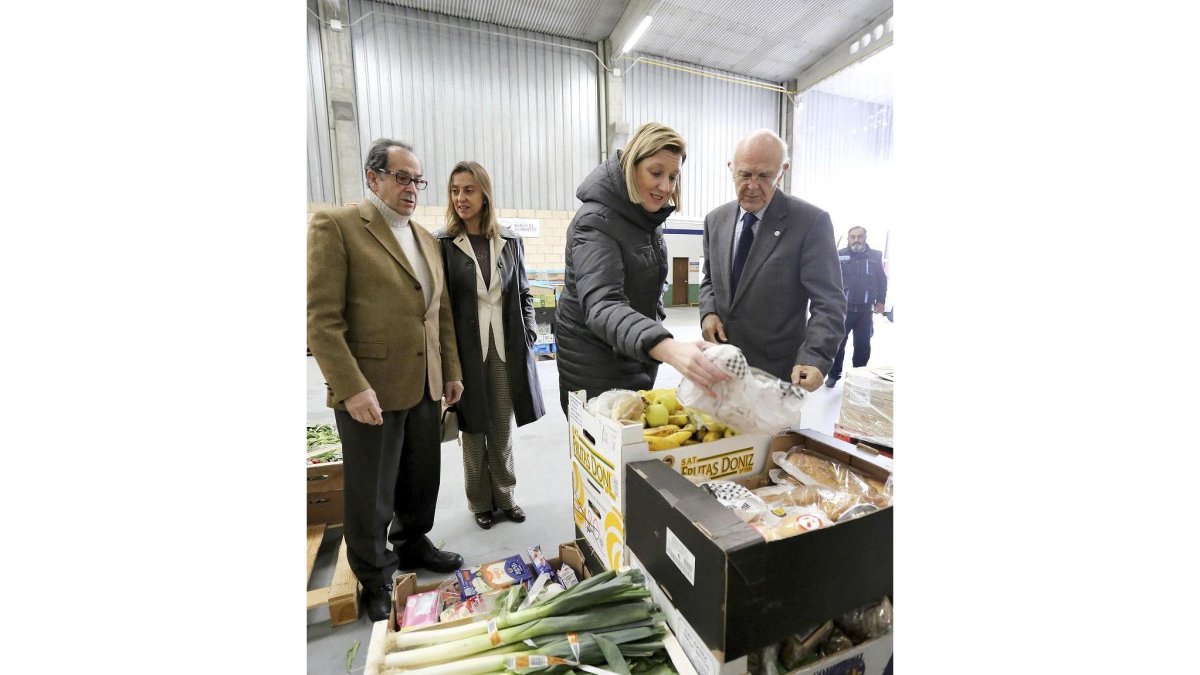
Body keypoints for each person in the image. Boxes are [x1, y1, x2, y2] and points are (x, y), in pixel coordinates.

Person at [307, 138, 465, 622]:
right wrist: (351, 387)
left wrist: (452, 372)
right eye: (402, 177)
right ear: (372, 178)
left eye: (418, 180)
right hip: (368, 388)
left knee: (420, 477)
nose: (412, 188)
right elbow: (321, 320)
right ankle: (374, 574)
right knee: (371, 489)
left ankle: (413, 543)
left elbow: (439, 314)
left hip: (424, 382)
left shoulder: (423, 237)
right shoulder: (336, 226)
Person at [556, 122, 728, 413]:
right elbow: (603, 305)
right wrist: (668, 347)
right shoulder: (595, 221)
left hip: (634, 356)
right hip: (595, 367)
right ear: (631, 164)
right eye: (656, 173)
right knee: (603, 453)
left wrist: (655, 331)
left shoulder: (644, 220)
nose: (666, 187)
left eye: (674, 177)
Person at [436, 161, 545, 531]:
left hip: (505, 348)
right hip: (465, 352)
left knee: (501, 426)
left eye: (468, 190)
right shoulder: (444, 243)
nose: (461, 198)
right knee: (472, 428)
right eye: (455, 191)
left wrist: (529, 333)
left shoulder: (510, 240)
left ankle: (506, 496)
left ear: (485, 195)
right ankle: (479, 501)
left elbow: (525, 293)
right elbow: (440, 305)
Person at [698, 129, 845, 393]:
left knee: (771, 437)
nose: (752, 186)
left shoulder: (810, 222)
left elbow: (829, 302)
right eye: (744, 174)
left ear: (782, 171)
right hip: (721, 368)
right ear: (731, 169)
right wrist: (708, 312)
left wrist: (815, 356)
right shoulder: (715, 220)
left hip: (776, 377)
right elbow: (710, 278)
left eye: (764, 175)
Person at [826, 226, 888, 387]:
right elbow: (831, 279)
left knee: (862, 346)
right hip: (843, 310)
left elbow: (882, 280)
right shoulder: (839, 255)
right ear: (848, 238)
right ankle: (834, 375)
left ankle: (858, 377)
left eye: (859, 236)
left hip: (865, 311)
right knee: (838, 345)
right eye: (852, 236)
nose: (856, 240)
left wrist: (881, 301)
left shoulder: (875, 255)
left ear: (865, 238)